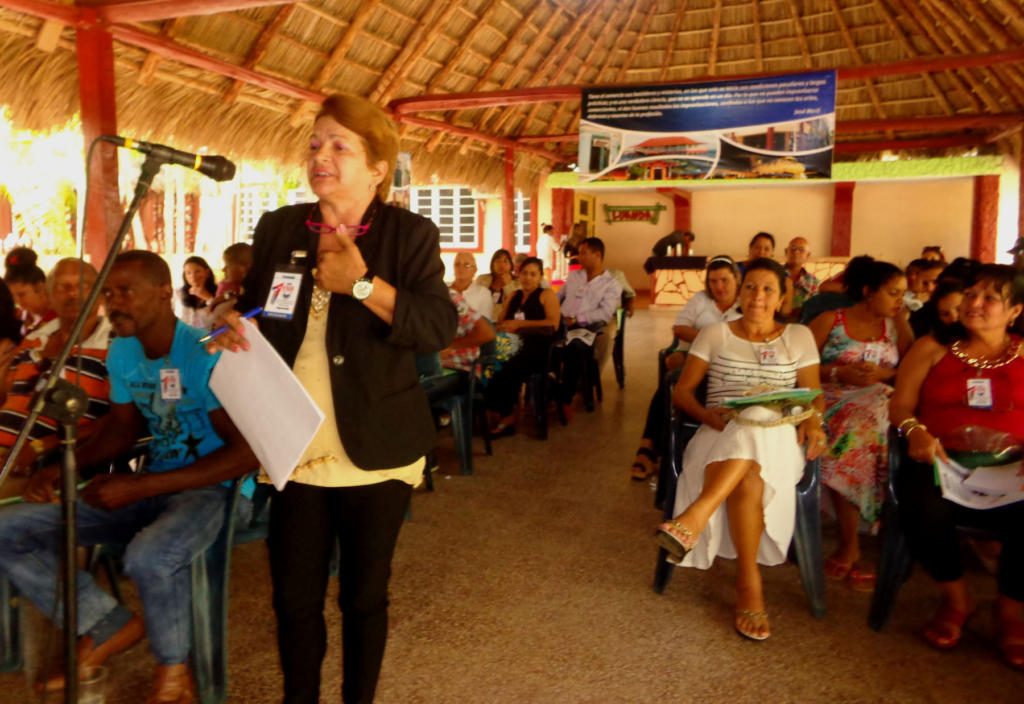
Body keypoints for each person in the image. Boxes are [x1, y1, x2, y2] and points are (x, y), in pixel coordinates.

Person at [210, 93, 456, 704]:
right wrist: (232, 320)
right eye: (316, 144)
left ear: (377, 168)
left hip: (376, 444)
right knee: (293, 599)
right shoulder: (280, 227)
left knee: (363, 597)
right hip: (293, 443)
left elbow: (435, 327)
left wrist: (363, 285)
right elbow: (262, 308)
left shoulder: (409, 234)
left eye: (340, 146)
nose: (321, 155)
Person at [0, 250, 257, 702]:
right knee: (6, 528)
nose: (112, 302)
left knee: (148, 555)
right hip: (151, 486)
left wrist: (141, 485)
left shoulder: (204, 353)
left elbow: (246, 454)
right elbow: (122, 429)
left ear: (162, 294)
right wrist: (66, 469)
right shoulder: (123, 351)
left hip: (216, 492)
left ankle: (174, 673)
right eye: (108, 293)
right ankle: (105, 623)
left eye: (125, 292)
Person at [656, 258, 826, 640]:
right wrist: (707, 416)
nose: (758, 296)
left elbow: (815, 395)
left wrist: (814, 420)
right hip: (718, 436)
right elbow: (682, 392)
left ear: (781, 299)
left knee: (759, 413)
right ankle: (749, 585)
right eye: (750, 287)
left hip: (779, 441)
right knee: (748, 468)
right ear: (739, 292)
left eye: (768, 289)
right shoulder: (714, 333)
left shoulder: (799, 336)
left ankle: (695, 517)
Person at [889, 264, 1024, 670]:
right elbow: (900, 406)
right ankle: (957, 599)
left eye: (990, 298)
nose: (974, 303)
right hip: (942, 462)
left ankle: (1011, 610)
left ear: (1015, 311)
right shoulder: (932, 347)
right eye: (970, 295)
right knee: (920, 501)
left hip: (1012, 468)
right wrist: (915, 432)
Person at [808, 259, 912, 590]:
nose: (899, 300)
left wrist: (884, 374)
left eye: (903, 294)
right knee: (854, 432)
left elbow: (911, 371)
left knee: (874, 428)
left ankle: (870, 534)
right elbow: (799, 366)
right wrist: (839, 372)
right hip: (834, 399)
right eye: (893, 293)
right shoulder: (831, 320)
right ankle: (851, 540)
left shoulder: (897, 325)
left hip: (879, 401)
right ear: (868, 291)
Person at [629, 255, 741, 480]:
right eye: (713, 281)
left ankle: (656, 445)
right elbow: (680, 328)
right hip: (694, 357)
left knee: (675, 381)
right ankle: (649, 446)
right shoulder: (701, 300)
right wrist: (710, 340)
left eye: (724, 280)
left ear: (736, 280)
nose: (719, 286)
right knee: (672, 382)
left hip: (729, 365)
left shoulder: (745, 304)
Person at [0, 259, 112, 484]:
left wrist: (41, 446)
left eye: (82, 285)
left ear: (100, 294)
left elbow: (120, 421)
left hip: (40, 464)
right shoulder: (33, 340)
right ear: (50, 295)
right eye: (63, 287)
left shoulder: (114, 345)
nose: (73, 293)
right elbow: (8, 398)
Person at [484, 257, 561, 436]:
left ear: (540, 276)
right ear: (519, 275)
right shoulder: (514, 295)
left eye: (533, 274)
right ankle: (491, 408)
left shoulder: (546, 295)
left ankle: (507, 416)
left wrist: (520, 325)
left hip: (536, 347)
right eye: (525, 273)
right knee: (486, 360)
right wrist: (503, 326)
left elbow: (553, 324)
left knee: (506, 363)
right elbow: (502, 320)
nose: (528, 278)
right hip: (510, 343)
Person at [557, 237, 622, 412]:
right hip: (561, 323)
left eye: (583, 253)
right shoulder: (574, 276)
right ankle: (544, 391)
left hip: (585, 327)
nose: (579, 257)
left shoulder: (611, 285)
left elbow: (605, 314)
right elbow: (559, 296)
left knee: (574, 346)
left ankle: (565, 398)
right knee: (538, 343)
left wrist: (577, 319)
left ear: (597, 255)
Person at [441, 288, 495, 373]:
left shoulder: (450, 297)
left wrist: (450, 346)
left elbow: (487, 333)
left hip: (458, 368)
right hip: (431, 367)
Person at [5, 248, 55, 337]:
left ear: (40, 287)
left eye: (21, 295)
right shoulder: (25, 315)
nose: (17, 301)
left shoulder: (61, 315)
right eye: (12, 296)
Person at [173, 255, 219, 330]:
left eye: (197, 271)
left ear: (207, 273)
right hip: (183, 335)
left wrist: (208, 298)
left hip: (209, 336)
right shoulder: (177, 293)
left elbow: (223, 316)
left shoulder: (219, 292)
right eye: (188, 273)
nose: (193, 276)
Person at [783, 236, 820, 321]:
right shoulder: (775, 274)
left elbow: (816, 307)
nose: (796, 252)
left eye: (801, 249)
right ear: (786, 251)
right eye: (793, 248)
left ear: (808, 255)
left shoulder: (814, 281)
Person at [449, 252, 493, 320]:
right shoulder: (443, 291)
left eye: (466, 265)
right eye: (457, 264)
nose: (461, 267)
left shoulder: (483, 293)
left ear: (475, 270)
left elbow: (486, 322)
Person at [209, 242, 253, 310]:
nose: (223, 270)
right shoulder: (238, 291)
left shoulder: (252, 297)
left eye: (228, 266)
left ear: (244, 268)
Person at [475, 249, 516, 321]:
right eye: (498, 261)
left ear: (511, 265)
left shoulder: (518, 283)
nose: (501, 264)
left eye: (505, 261)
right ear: (492, 264)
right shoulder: (482, 279)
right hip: (482, 320)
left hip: (505, 322)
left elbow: (515, 305)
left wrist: (508, 285)